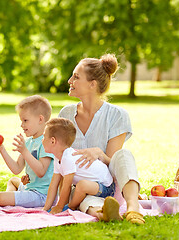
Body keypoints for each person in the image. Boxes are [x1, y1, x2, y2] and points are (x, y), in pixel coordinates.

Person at [57, 53, 145, 224]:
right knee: (85, 195)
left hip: (108, 183)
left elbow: (113, 166)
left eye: (76, 77)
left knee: (124, 155)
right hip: (77, 187)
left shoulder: (117, 115)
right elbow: (57, 156)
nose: (69, 81)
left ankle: (133, 209)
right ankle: (103, 213)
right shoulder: (66, 114)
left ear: (92, 84)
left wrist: (99, 154)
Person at [0, 95, 54, 208]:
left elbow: (41, 171)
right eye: (21, 121)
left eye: (25, 120)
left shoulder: (48, 142)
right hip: (29, 190)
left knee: (0, 196)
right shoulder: (29, 142)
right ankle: (12, 198)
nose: (22, 125)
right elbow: (16, 169)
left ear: (40, 119)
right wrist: (2, 149)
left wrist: (25, 152)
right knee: (13, 180)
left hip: (42, 195)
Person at [42, 118, 115, 214]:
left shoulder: (68, 158)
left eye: (43, 137)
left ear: (52, 141)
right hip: (93, 186)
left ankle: (70, 207)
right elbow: (53, 185)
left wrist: (59, 207)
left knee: (81, 185)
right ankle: (68, 206)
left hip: (106, 187)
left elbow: (66, 186)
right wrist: (45, 209)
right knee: (80, 186)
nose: (42, 140)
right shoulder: (58, 157)